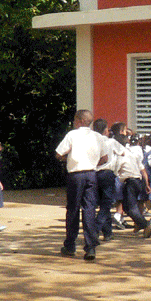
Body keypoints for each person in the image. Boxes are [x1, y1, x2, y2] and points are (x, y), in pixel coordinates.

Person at [55, 109, 106, 260]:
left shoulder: (72, 134)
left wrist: (68, 159)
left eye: (75, 120)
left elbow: (59, 154)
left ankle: (70, 245)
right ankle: (90, 248)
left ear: (80, 121)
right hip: (91, 174)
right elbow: (104, 158)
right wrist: (91, 162)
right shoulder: (97, 136)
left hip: (76, 175)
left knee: (73, 209)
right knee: (89, 209)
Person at [110, 131, 151, 238]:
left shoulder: (120, 157)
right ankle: (140, 224)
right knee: (127, 207)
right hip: (138, 182)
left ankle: (146, 225)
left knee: (130, 207)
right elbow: (143, 169)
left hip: (130, 182)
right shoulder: (132, 154)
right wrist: (146, 184)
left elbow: (115, 172)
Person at [92, 119, 118, 241]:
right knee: (106, 204)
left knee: (101, 203)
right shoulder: (110, 142)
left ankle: (108, 232)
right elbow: (123, 152)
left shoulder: (92, 141)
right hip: (107, 174)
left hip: (94, 174)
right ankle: (95, 229)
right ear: (106, 130)